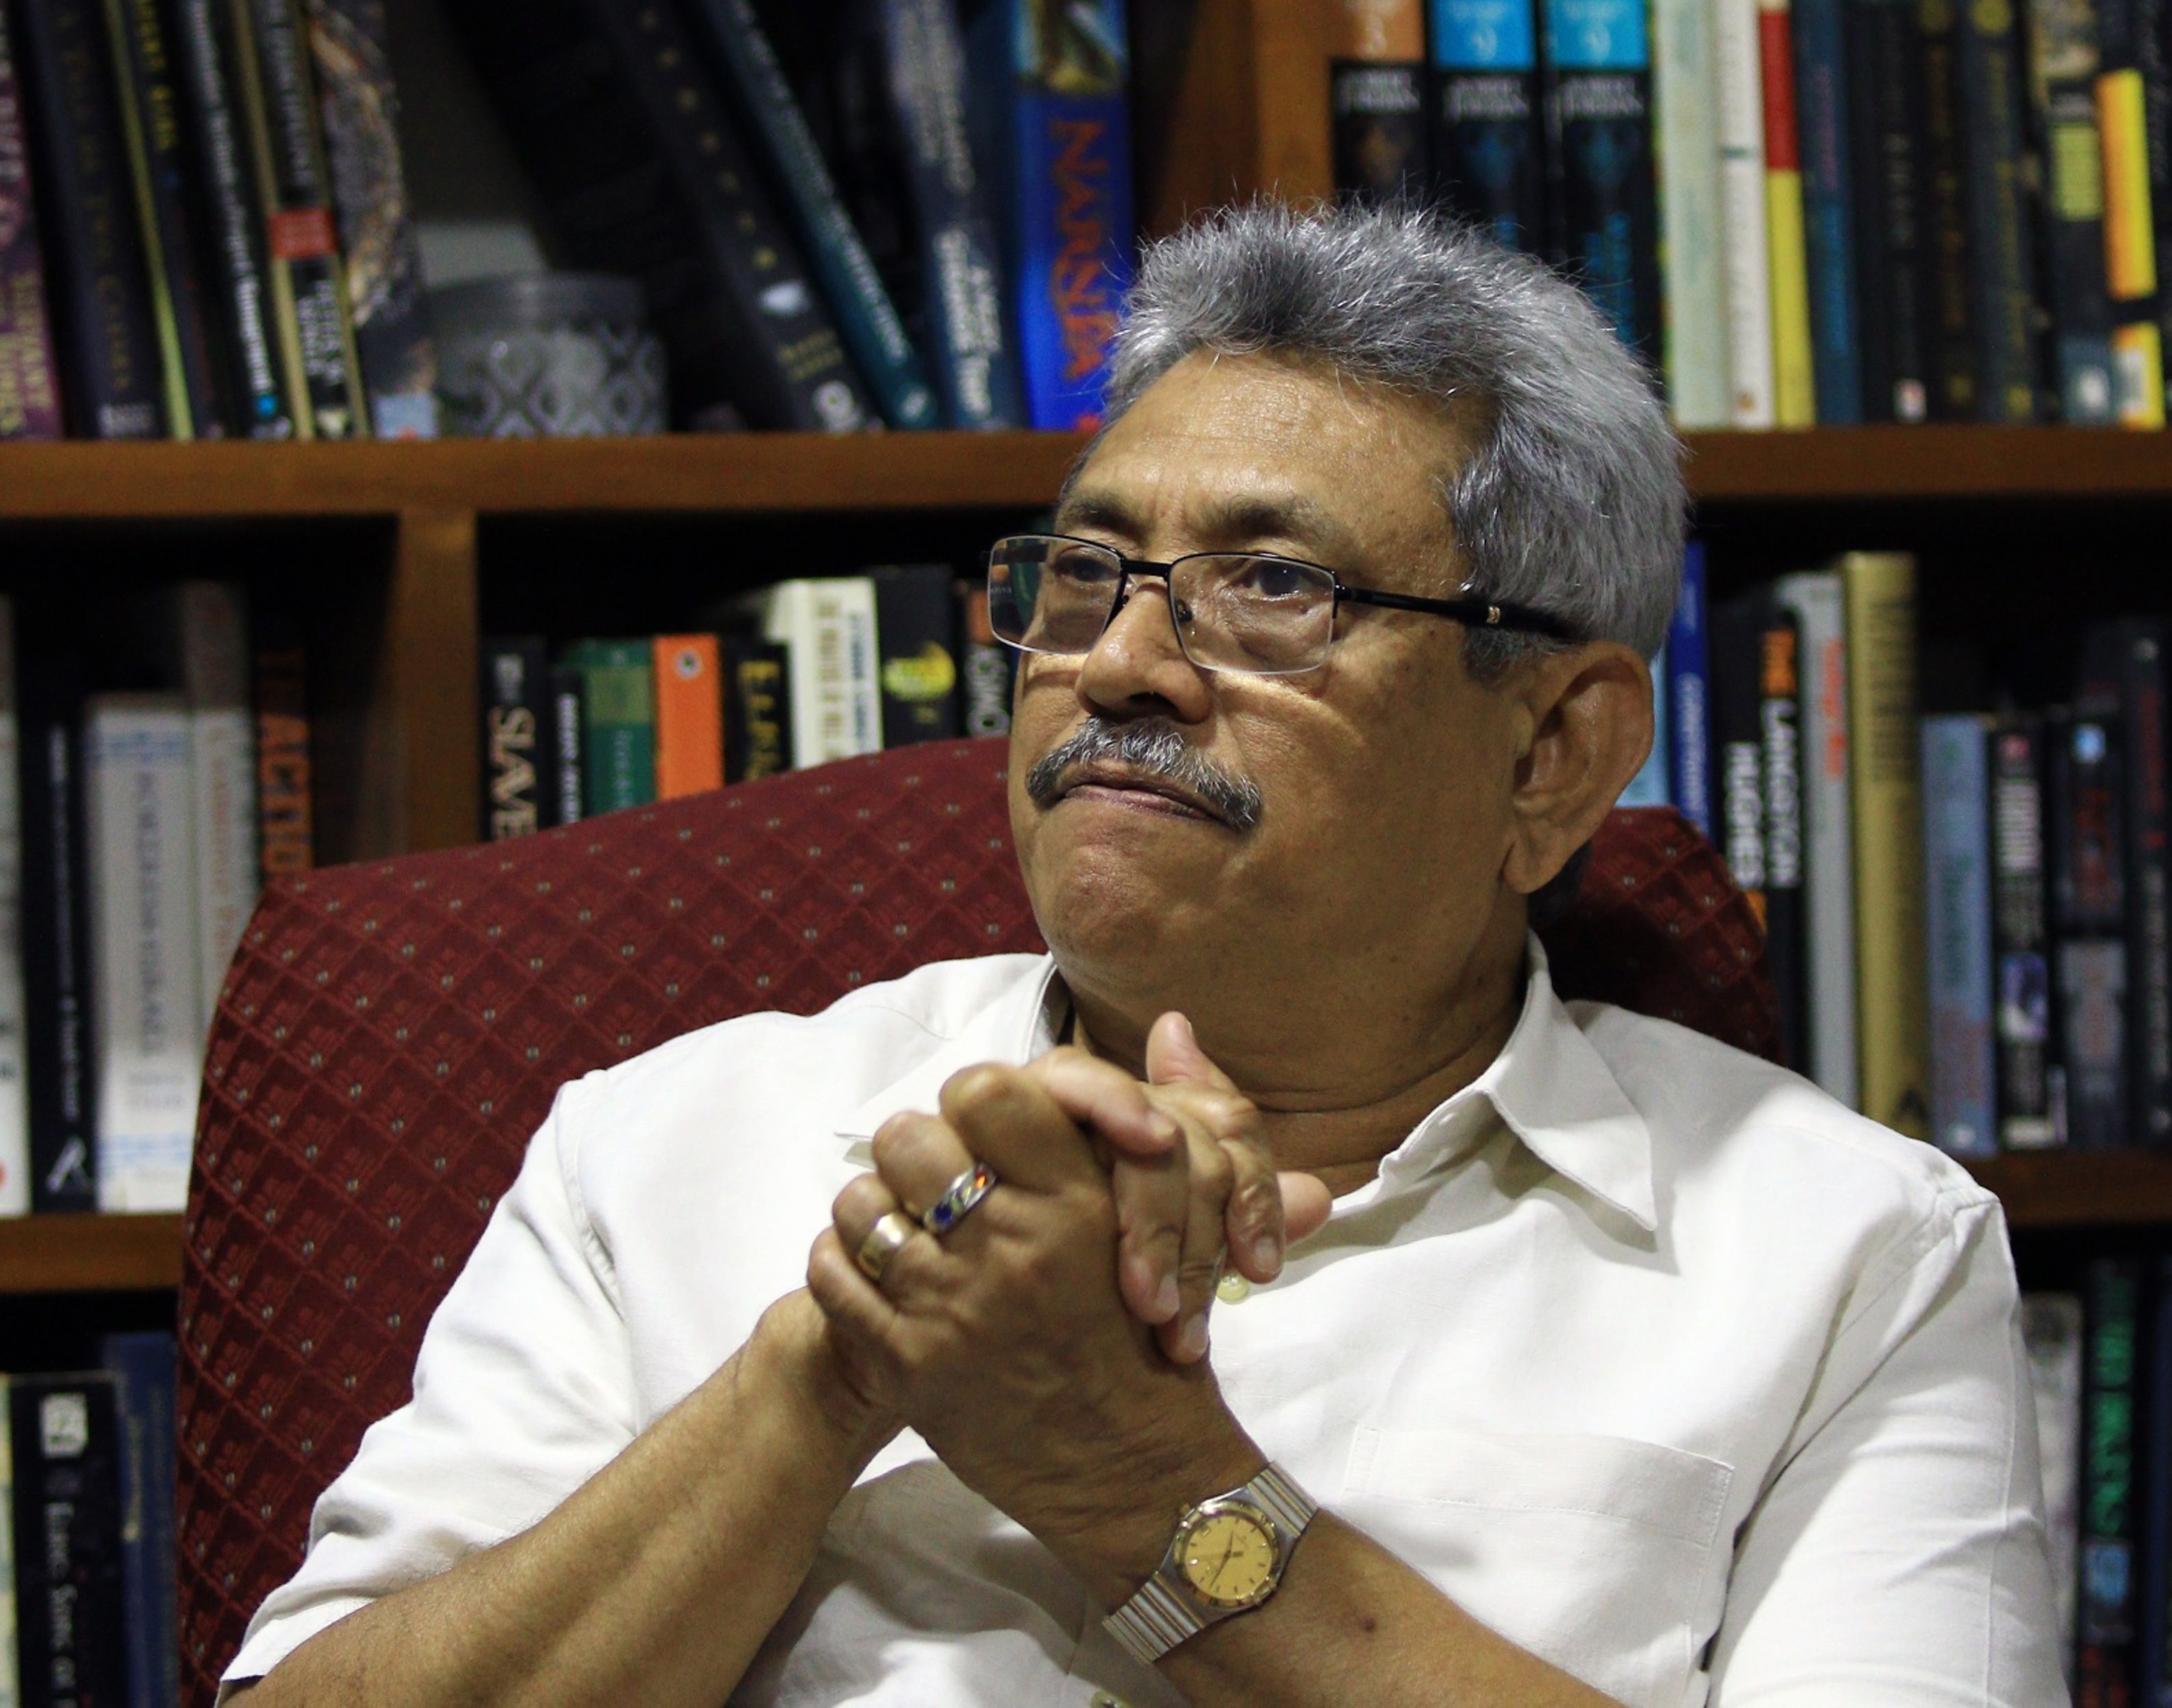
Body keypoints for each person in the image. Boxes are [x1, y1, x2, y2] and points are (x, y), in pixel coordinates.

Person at [222, 203, 2061, 1708]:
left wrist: (1145, 1485)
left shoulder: (1851, 1259)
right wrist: (848, 1352)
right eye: (1086, 573)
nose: (1119, 662)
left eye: (1276, 587)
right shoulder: (669, 1146)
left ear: (1553, 754)